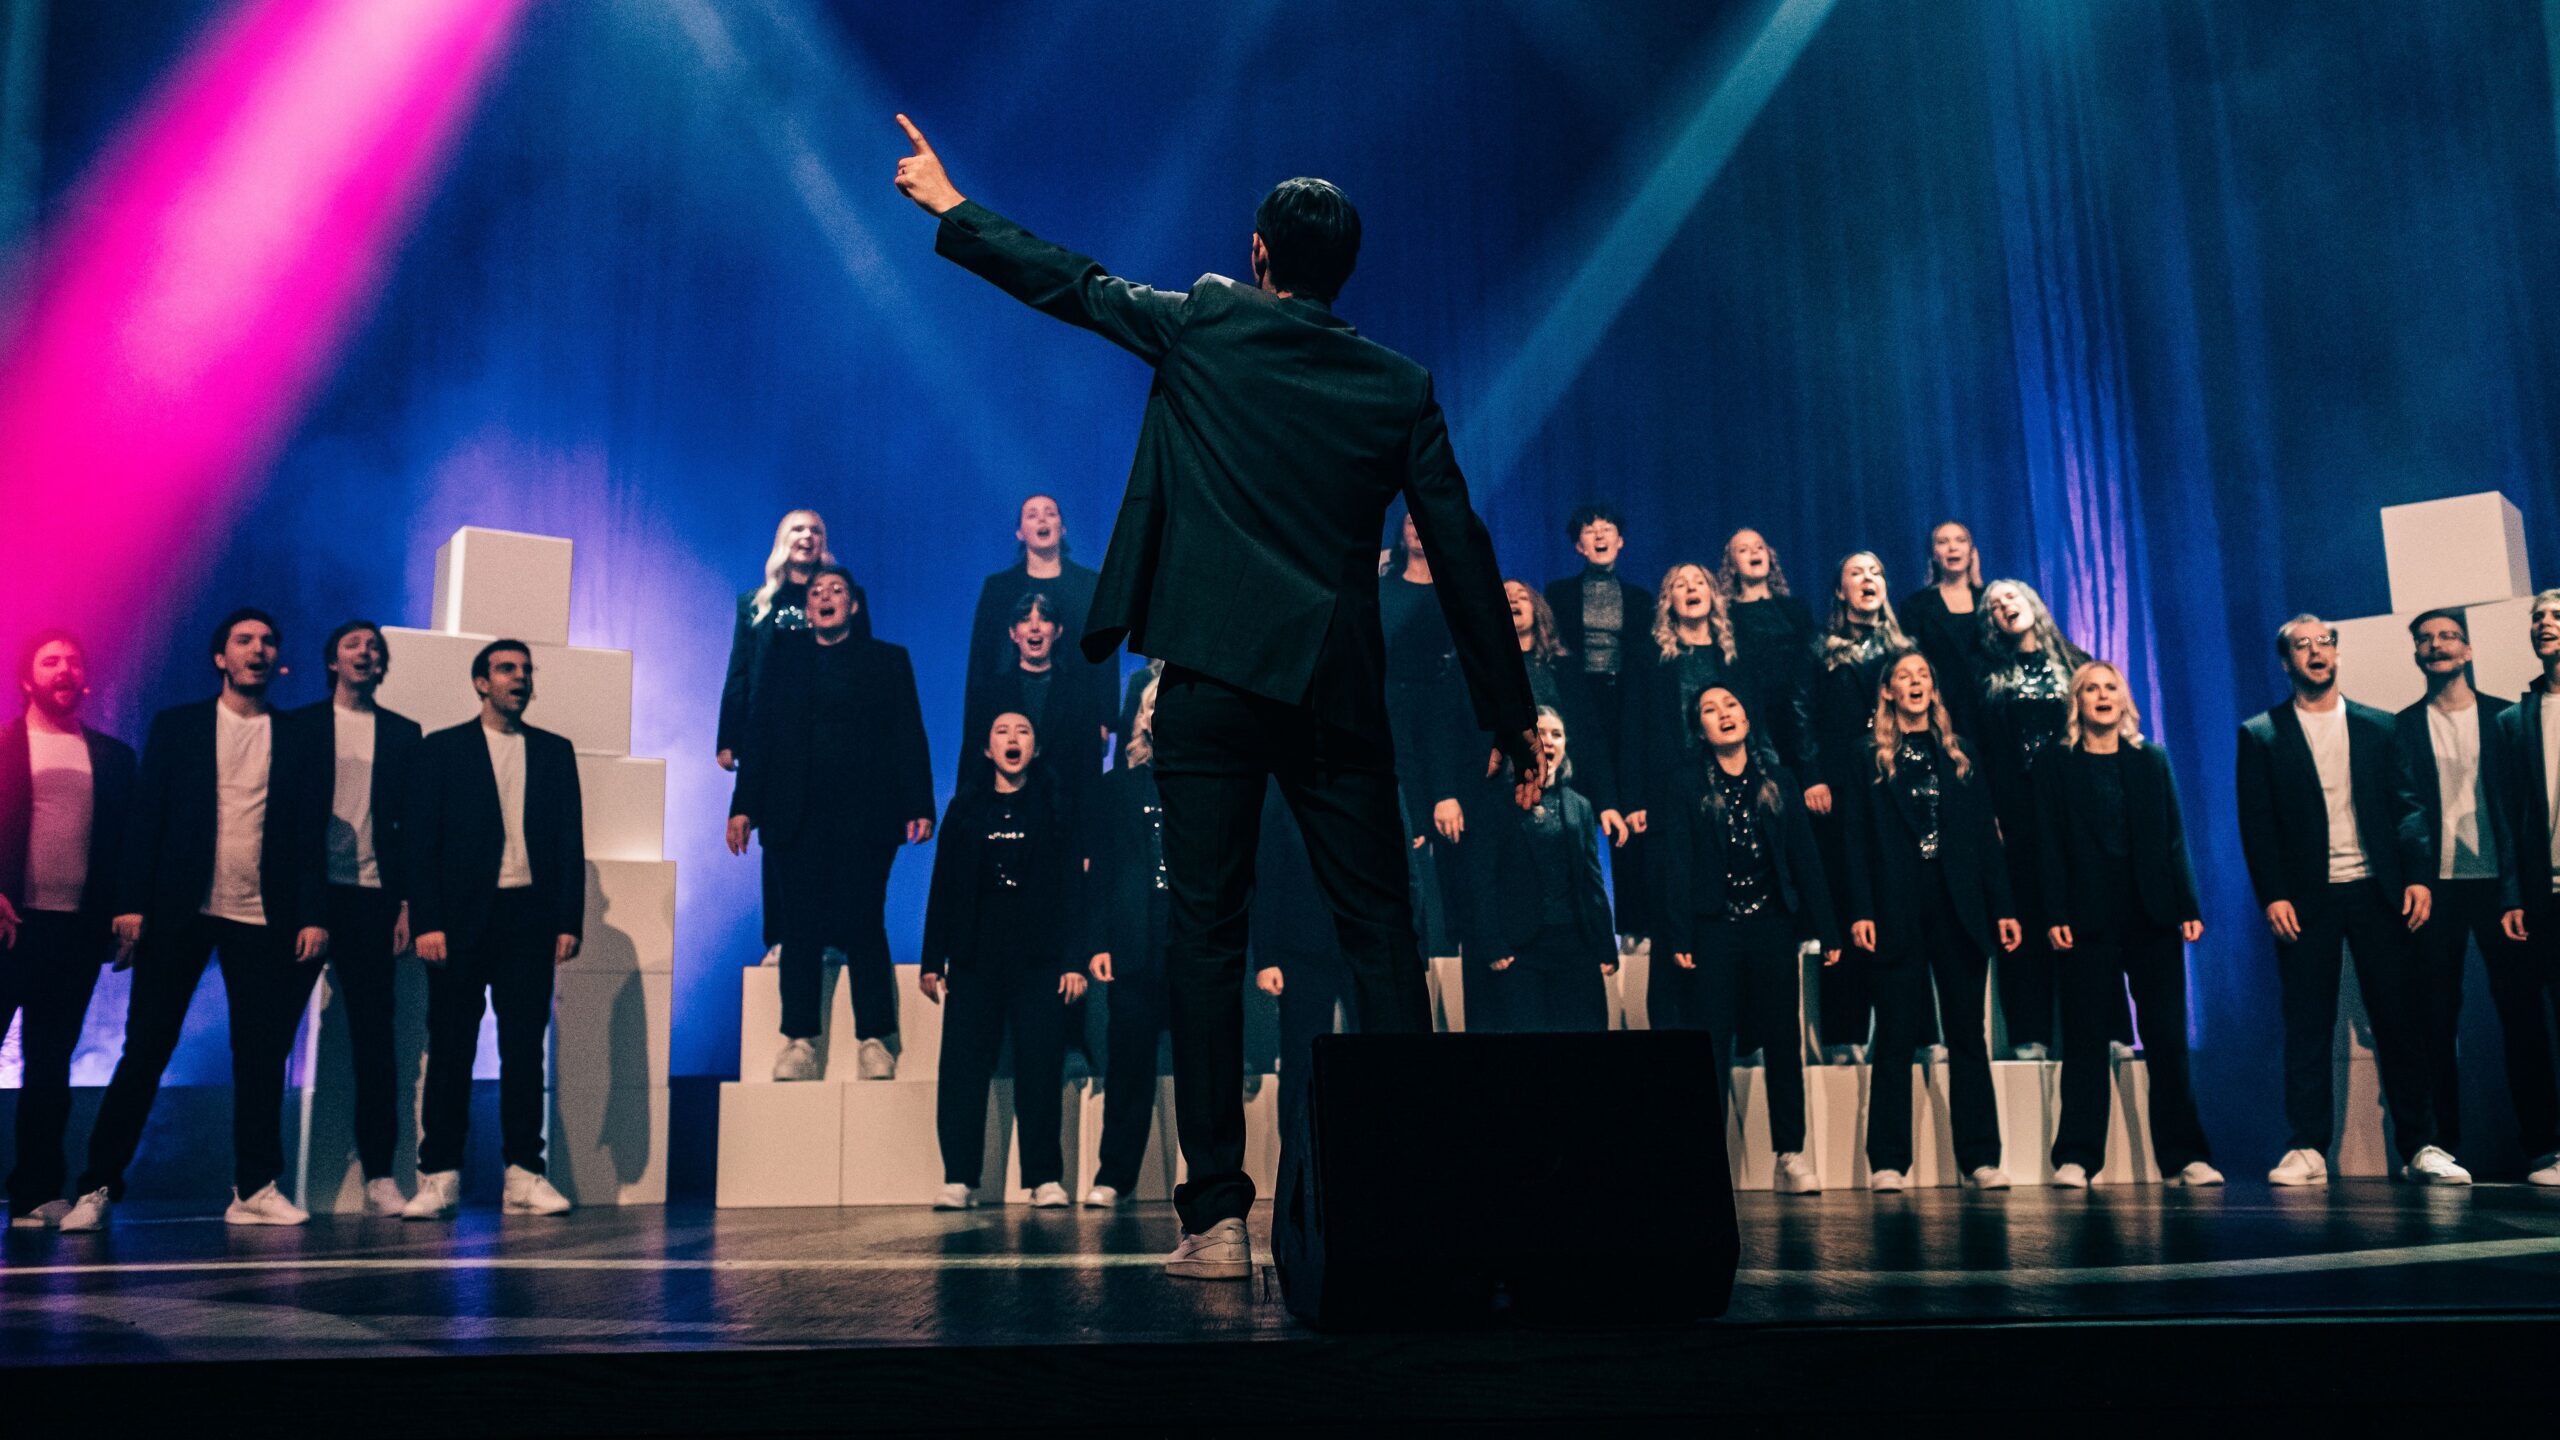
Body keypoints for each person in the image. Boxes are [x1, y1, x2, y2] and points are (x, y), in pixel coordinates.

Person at [899, 126, 1537, 1281]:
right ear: (1345, 271)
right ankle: (1409, 1190)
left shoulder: (1205, 317)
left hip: (1210, 680)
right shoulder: (1397, 386)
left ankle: (1216, 1216)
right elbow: (1462, 546)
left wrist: (951, 204)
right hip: (1335, 690)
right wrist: (1510, 714)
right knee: (1382, 938)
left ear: (1256, 254)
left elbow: (1074, 285)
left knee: (1206, 935)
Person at [61, 608, 330, 1232]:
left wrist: (313, 912)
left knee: (261, 1055)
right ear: (221, 658)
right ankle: (97, 1186)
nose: (257, 650)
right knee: (146, 1049)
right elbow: (146, 818)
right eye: (244, 641)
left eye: (268, 641)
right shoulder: (179, 726)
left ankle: (255, 1186)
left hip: (265, 914)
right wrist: (131, 903)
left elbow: (308, 834)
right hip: (182, 909)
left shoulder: (299, 737)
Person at [2236, 615, 2464, 1186]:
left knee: (2399, 1020)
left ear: (2337, 654)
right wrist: (2273, 896)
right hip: (2308, 897)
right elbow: (2257, 825)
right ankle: (2307, 1148)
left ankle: (2421, 1145)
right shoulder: (2262, 733)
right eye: (2301, 646)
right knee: (2308, 1023)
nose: (2316, 652)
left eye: (2324, 643)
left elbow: (2408, 808)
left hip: (2377, 890)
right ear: (2286, 661)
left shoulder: (2378, 727)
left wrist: (2417, 877)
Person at [727, 567, 935, 1083]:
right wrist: (743, 806)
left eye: (836, 591)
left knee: (864, 922)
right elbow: (761, 736)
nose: (825, 597)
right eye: (817, 592)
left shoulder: (887, 660)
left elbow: (909, 733)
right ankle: (799, 1041)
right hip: (795, 817)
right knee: (800, 928)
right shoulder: (783, 657)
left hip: (867, 817)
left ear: (854, 606)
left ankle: (875, 1039)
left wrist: (920, 803)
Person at [402, 641, 586, 1220]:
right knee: (452, 1048)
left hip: (528, 918)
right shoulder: (444, 749)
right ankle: (439, 1177)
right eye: (508, 669)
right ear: (481, 682)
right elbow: (421, 843)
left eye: (526, 670)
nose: (521, 679)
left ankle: (525, 1174)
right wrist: (427, 919)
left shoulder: (554, 752)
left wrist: (568, 919)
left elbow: (568, 842)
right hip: (459, 922)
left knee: (524, 1051)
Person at [2035, 661, 2220, 1188]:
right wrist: (2055, 913)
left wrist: (2188, 906)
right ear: (2077, 702)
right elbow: (2047, 843)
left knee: (2165, 1038)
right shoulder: (2057, 764)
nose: (2101, 695)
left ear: (2124, 698)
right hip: (2086, 915)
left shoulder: (2151, 759)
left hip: (2153, 912)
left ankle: (2185, 1156)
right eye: (2090, 688)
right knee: (2086, 1038)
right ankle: (2077, 1156)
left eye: (2109, 686)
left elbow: (2173, 837)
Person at [1844, 650, 2021, 1192]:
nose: (1916, 682)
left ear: (1933, 689)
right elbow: (1854, 840)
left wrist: (2005, 906)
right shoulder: (1867, 755)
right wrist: (1861, 910)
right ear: (1889, 692)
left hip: (1958, 906)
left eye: (1924, 674)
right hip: (1897, 905)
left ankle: (1980, 1158)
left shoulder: (1961, 752)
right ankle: (1889, 1162)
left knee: (1968, 1034)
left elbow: (1986, 843)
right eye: (1904, 676)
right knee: (1896, 1035)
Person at [1655, 685, 1840, 1194]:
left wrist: (1827, 929)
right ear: (1701, 730)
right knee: (1711, 1045)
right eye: (1710, 711)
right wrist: (1679, 934)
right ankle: (1705, 1158)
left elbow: (1806, 858)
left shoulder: (1779, 779)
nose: (1724, 714)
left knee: (1783, 1041)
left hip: (1772, 927)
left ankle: (1790, 1155)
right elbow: (1678, 863)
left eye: (1731, 705)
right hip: (1714, 928)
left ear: (1747, 717)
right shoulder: (1686, 783)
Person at [919, 710, 1087, 1211]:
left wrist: (1073, 959)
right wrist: (933, 959)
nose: (1013, 739)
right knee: (963, 1070)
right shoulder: (965, 809)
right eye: (1002, 731)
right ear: (987, 749)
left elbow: (1073, 891)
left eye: (1023, 731)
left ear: (1034, 748)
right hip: (975, 956)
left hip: (1038, 957)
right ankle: (959, 1178)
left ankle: (1043, 1178)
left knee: (1039, 1067)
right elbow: (944, 886)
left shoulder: (1054, 805)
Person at [285, 620, 422, 1216]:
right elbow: (284, 825)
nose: (366, 653)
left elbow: (414, 828)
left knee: (377, 1042)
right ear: (332, 661)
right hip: (307, 899)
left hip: (373, 899)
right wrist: (302, 906)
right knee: (270, 1037)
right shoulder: (298, 727)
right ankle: (256, 1179)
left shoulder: (402, 732)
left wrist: (407, 903)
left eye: (374, 647)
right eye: (353, 646)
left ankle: (380, 1175)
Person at [0, 632, 135, 1228]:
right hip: (7, 926)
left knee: (51, 1064)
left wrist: (125, 912)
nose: (64, 668)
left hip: (74, 930)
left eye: (73, 660)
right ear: (28, 679)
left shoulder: (111, 755)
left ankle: (34, 1193)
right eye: (49, 660)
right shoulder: (4, 745)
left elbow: (127, 843)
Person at [2394, 608, 2531, 1167]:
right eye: (2425, 639)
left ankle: (2544, 1144)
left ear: (2468, 650)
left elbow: (2523, 808)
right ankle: (2440, 1146)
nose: (2436, 645)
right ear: (2416, 655)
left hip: (2502, 887)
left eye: (2448, 636)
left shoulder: (2507, 718)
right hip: (2437, 888)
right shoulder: (2400, 726)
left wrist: (2517, 890)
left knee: (2522, 1015)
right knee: (2433, 1017)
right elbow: (2402, 812)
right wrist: (2416, 878)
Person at [1971, 579, 2093, 1061]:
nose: (2005, 607)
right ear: (1990, 621)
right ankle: (2029, 1030)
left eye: (2012, 598)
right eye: (1995, 604)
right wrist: (1988, 812)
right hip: (2016, 805)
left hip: (2075, 803)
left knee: (2087, 911)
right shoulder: (1983, 673)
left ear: (2033, 605)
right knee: (2022, 915)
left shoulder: (2076, 662)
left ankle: (2100, 1026)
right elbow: (1977, 748)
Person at [1805, 553, 1909, 1064]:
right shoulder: (1820, 649)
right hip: (1840, 790)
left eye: (1877, 572)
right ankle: (1844, 1032)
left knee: (1900, 900)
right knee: (1847, 904)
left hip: (1894, 787)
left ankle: (1910, 1031)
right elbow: (1800, 714)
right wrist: (1812, 775)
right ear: (1840, 592)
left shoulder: (1905, 651)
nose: (1869, 580)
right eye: (1857, 573)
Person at [1460, 708, 1616, 1033]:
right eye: (1538, 733)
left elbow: (1592, 882)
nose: (1548, 740)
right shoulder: (1495, 804)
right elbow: (1481, 880)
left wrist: (1604, 945)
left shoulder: (1579, 805)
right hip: (1521, 949)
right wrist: (1493, 944)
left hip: (1575, 947)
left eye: (1556, 734)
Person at [1084, 676, 1171, 1207]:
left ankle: (1211, 1183)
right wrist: (1099, 942)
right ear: (1141, 719)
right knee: (1128, 1066)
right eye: (1154, 707)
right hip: (1134, 944)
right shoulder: (1118, 787)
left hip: (1191, 945)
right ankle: (1115, 1175)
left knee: (1206, 1073)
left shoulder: (1207, 784)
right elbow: (1102, 873)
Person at [1545, 505, 1651, 939]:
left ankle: (1634, 927)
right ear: (1578, 545)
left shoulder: (1642, 599)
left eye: (1608, 529)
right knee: (1580, 806)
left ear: (1621, 541)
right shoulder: (1559, 593)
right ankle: (1580, 923)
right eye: (1591, 532)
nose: (1600, 536)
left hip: (1625, 704)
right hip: (1577, 702)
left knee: (1628, 807)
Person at [1384, 509, 1476, 961]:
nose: (1419, 529)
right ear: (1400, 535)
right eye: (1410, 523)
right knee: (1411, 824)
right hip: (1394, 704)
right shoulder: (1383, 590)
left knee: (1455, 814)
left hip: (1447, 705)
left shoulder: (1456, 590)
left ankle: (1457, 932)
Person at [2491, 591, 2560, 1186]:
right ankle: (2546, 1149)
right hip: (2543, 898)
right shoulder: (2515, 721)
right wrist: (2511, 894)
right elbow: (2507, 819)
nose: (2545, 623)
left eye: (2557, 615)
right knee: (2531, 1026)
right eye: (2537, 616)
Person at [966, 591, 1115, 832]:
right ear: (1013, 633)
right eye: (1025, 619)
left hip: (1063, 826)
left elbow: (1089, 775)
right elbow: (972, 763)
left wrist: (1088, 846)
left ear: (1057, 631)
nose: (1035, 627)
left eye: (1044, 619)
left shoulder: (1081, 696)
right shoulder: (989, 694)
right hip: (1000, 821)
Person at [719, 508, 837, 773]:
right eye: (798, 529)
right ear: (783, 540)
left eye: (815, 530)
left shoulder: (845, 601)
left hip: (827, 728)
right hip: (769, 729)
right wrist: (728, 738)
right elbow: (739, 673)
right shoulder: (753, 604)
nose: (807, 535)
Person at [964, 494, 1103, 719]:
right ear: (1019, 532)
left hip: (1076, 706)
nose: (1042, 520)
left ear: (1063, 528)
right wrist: (977, 716)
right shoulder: (999, 587)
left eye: (1050, 514)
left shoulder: (1088, 584)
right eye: (1032, 515)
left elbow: (1103, 653)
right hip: (1009, 704)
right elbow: (982, 655)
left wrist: (1105, 718)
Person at [1505, 580, 1623, 842]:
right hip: (1502, 798)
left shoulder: (1565, 667)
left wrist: (1607, 802)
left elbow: (1591, 737)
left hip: (1563, 796)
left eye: (1521, 596)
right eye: (1504, 596)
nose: (1512, 600)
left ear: (1538, 610)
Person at [1720, 528, 1818, 783]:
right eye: (1743, 549)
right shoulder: (1725, 616)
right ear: (1731, 565)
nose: (1753, 552)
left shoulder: (1796, 609)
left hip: (1798, 719)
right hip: (1755, 720)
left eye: (1759, 547)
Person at [1897, 521, 1984, 737]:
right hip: (1942, 710)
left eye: (1960, 540)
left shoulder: (1992, 601)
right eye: (1943, 542)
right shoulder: (1915, 606)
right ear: (1934, 555)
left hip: (1991, 707)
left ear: (1972, 552)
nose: (1952, 547)